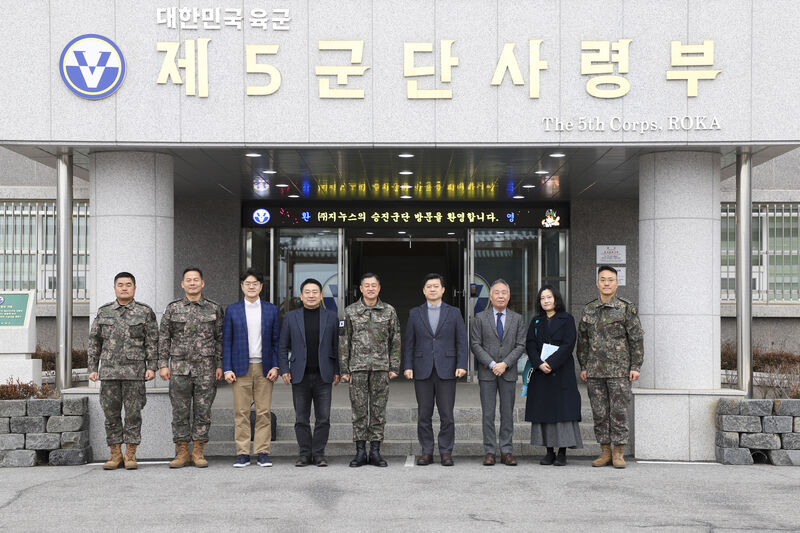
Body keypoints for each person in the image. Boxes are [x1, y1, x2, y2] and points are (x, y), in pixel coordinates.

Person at [87, 272, 158, 470]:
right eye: (120, 284)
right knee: (111, 414)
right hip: (109, 372)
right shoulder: (104, 312)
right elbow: (94, 341)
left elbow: (152, 341)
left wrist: (152, 367)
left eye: (128, 284)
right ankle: (115, 453)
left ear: (134, 288)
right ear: (114, 288)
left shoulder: (145, 312)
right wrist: (92, 368)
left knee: (133, 414)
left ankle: (131, 454)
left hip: (135, 373)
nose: (124, 288)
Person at [577, 265, 644, 469]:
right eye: (603, 280)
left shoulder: (626, 308)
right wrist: (583, 366)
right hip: (595, 370)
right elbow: (583, 340)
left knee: (619, 412)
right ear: (597, 283)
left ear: (617, 283)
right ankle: (605, 451)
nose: (606, 283)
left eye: (610, 280)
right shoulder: (589, 309)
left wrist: (636, 366)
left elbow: (636, 339)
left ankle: (618, 452)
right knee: (599, 412)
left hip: (619, 371)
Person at [158, 267, 224, 469]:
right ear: (182, 284)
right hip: (180, 369)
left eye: (196, 279)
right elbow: (164, 338)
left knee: (203, 411)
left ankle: (198, 451)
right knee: (180, 412)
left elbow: (220, 339)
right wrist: (163, 364)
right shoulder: (173, 308)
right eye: (189, 280)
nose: (192, 283)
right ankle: (181, 452)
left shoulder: (214, 308)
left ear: (202, 283)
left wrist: (220, 365)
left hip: (206, 369)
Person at [403, 273, 468, 467]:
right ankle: (427, 452)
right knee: (424, 414)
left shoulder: (454, 312)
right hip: (422, 369)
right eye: (429, 286)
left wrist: (462, 364)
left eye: (436, 286)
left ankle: (446, 452)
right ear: (424, 290)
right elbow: (409, 342)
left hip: (447, 369)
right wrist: (408, 366)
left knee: (447, 414)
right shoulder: (415, 313)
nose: (432, 289)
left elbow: (461, 341)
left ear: (443, 289)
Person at [339, 273, 401, 467]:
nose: (371, 288)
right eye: (367, 285)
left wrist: (394, 366)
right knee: (358, 410)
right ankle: (360, 451)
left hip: (381, 368)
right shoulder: (350, 311)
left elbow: (396, 340)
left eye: (374, 285)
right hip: (357, 368)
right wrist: (344, 369)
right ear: (361, 288)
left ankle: (375, 451)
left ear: (379, 288)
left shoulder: (389, 311)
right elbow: (344, 341)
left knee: (378, 410)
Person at [279, 278, 341, 467]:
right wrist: (284, 369)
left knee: (323, 418)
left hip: (324, 375)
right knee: (301, 419)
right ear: (301, 296)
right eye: (307, 292)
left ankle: (319, 454)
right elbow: (282, 346)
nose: (311, 295)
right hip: (300, 375)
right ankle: (305, 454)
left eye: (315, 292)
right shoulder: (291, 317)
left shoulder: (331, 317)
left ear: (321, 295)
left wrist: (337, 370)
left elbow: (336, 346)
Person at [222, 268, 280, 468]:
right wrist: (227, 368)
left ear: (261, 287)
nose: (252, 287)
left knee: (263, 412)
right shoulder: (232, 310)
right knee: (241, 412)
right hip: (240, 368)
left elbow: (276, 341)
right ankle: (243, 453)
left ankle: (263, 452)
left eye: (255, 283)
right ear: (242, 286)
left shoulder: (271, 310)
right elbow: (227, 341)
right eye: (248, 283)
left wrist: (276, 365)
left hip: (265, 367)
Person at [525, 284, 583, 466]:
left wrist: (551, 363)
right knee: (544, 412)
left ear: (556, 299)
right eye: (542, 298)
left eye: (549, 297)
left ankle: (562, 452)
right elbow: (530, 344)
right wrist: (539, 363)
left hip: (561, 372)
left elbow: (568, 344)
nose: (546, 301)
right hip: (541, 373)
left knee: (562, 412)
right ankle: (549, 451)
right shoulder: (536, 321)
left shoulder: (567, 319)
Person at [470, 279, 526, 466]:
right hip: (487, 372)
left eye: (504, 292)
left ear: (509, 296)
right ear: (491, 296)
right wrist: (493, 363)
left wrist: (505, 364)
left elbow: (521, 345)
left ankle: (506, 451)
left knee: (507, 413)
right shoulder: (480, 318)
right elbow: (475, 344)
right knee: (488, 413)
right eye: (497, 292)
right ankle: (489, 451)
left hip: (508, 373)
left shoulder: (517, 319)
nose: (500, 296)